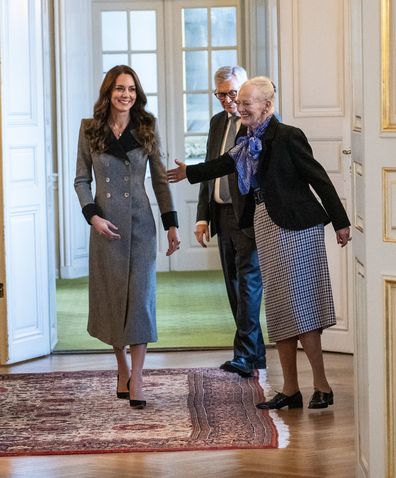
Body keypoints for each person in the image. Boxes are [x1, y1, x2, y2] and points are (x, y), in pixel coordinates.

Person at [168, 76, 351, 409]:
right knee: (280, 308)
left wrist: (341, 222)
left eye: (246, 103)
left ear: (266, 105)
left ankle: (322, 386)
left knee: (303, 308)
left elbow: (319, 179)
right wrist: (190, 172)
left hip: (298, 228)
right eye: (239, 104)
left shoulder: (289, 136)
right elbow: (226, 163)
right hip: (265, 223)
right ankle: (291, 391)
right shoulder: (246, 137)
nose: (240, 108)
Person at [74, 65, 180, 409]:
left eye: (132, 89)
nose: (126, 95)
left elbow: (161, 179)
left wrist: (171, 224)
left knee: (140, 301)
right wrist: (93, 217)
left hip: (141, 226)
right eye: (120, 88)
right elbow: (81, 180)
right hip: (107, 229)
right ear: (109, 93)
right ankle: (121, 366)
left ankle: (137, 375)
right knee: (112, 302)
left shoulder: (146, 127)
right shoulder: (90, 130)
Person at [195, 66, 265, 377]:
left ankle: (244, 355)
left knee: (249, 284)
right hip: (222, 214)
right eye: (220, 94)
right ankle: (255, 355)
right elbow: (209, 171)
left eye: (232, 93)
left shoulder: (255, 123)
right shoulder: (216, 123)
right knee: (235, 287)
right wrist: (202, 217)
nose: (226, 100)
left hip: (247, 216)